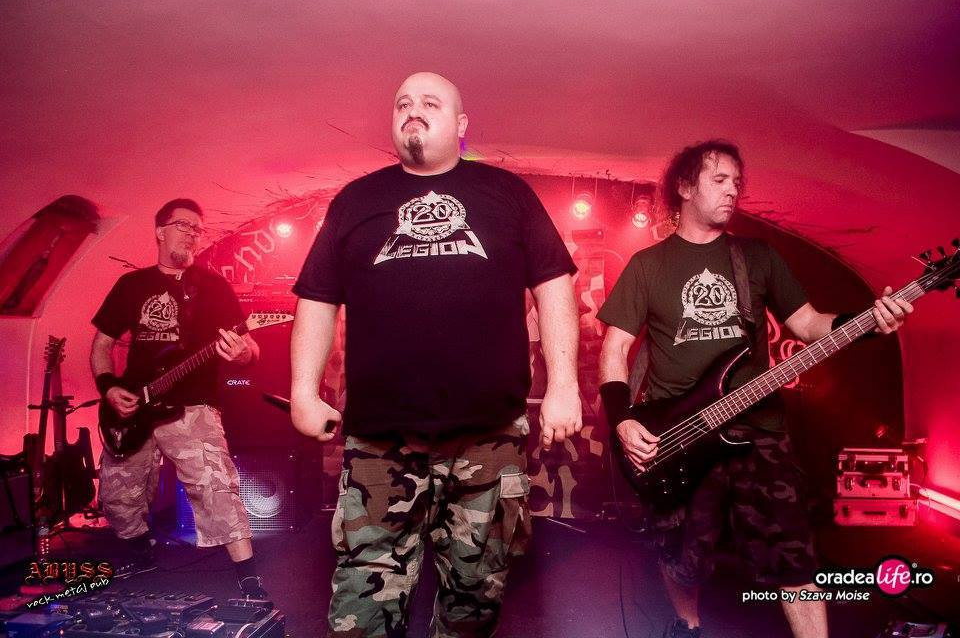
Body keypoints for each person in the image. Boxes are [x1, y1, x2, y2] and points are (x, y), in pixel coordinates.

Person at [291, 72, 581, 637]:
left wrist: (565, 385)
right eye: (402, 103)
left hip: (487, 436)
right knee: (361, 608)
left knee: (473, 601)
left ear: (461, 124)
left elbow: (553, 285)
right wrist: (303, 391)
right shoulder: (356, 200)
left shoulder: (507, 194)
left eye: (430, 102)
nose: (413, 110)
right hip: (380, 439)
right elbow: (317, 298)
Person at [597, 141, 912, 638]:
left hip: (758, 431)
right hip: (678, 435)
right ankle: (687, 627)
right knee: (682, 556)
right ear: (685, 187)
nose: (733, 191)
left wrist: (869, 321)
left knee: (794, 557)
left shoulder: (757, 257)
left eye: (737, 182)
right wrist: (623, 419)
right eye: (719, 179)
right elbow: (613, 348)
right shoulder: (647, 265)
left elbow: (808, 325)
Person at [90, 198, 267, 598]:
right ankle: (141, 550)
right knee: (116, 497)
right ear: (160, 231)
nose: (192, 234)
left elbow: (251, 350)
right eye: (183, 225)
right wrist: (109, 387)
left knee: (216, 485)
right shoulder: (131, 285)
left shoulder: (213, 287)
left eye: (197, 229)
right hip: (134, 406)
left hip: (192, 403)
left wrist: (242, 353)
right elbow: (101, 346)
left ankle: (249, 578)